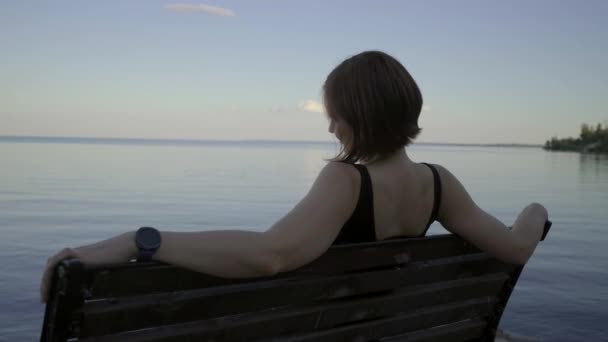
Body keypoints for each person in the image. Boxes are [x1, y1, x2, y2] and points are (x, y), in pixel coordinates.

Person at [40, 51, 548, 303]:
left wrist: (140, 240)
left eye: (335, 115)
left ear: (359, 116)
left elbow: (270, 255)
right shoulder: (439, 182)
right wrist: (534, 212)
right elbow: (517, 247)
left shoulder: (345, 181)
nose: (330, 126)